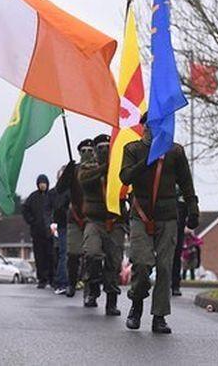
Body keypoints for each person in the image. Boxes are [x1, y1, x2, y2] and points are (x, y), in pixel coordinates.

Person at [120, 113, 200, 334]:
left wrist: (193, 207)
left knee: (165, 267)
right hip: (141, 215)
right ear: (144, 126)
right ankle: (136, 304)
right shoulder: (133, 149)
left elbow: (186, 183)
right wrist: (147, 161)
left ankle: (159, 316)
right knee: (142, 263)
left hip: (167, 215)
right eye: (151, 124)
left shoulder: (175, 151)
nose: (154, 128)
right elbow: (125, 177)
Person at [77, 134, 125, 316]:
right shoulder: (88, 167)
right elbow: (84, 180)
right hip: (94, 220)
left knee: (114, 262)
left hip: (115, 220)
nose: (104, 150)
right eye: (100, 148)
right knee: (92, 253)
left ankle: (111, 300)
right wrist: (104, 170)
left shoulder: (120, 164)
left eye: (107, 147)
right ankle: (92, 289)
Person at [56, 157, 85, 298]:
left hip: (93, 218)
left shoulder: (100, 168)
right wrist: (69, 171)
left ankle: (90, 288)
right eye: (83, 150)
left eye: (90, 150)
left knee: (92, 255)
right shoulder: (73, 173)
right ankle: (71, 282)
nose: (87, 153)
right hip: (72, 221)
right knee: (71, 254)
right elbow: (60, 190)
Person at [22, 175, 54, 289]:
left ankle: (52, 278)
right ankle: (42, 279)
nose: (42, 185)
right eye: (40, 183)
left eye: (44, 183)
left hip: (50, 232)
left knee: (51, 256)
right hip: (37, 232)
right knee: (39, 257)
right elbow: (25, 209)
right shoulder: (33, 197)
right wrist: (32, 221)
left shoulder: (51, 196)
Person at [51, 163, 73, 295]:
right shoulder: (59, 190)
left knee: (72, 254)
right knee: (64, 254)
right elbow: (57, 208)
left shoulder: (73, 188)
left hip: (74, 223)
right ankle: (61, 282)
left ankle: (71, 280)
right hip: (64, 224)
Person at [171, 188, 188, 297]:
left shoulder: (183, 194)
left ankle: (175, 284)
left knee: (176, 257)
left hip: (179, 229)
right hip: (164, 226)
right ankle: (165, 282)